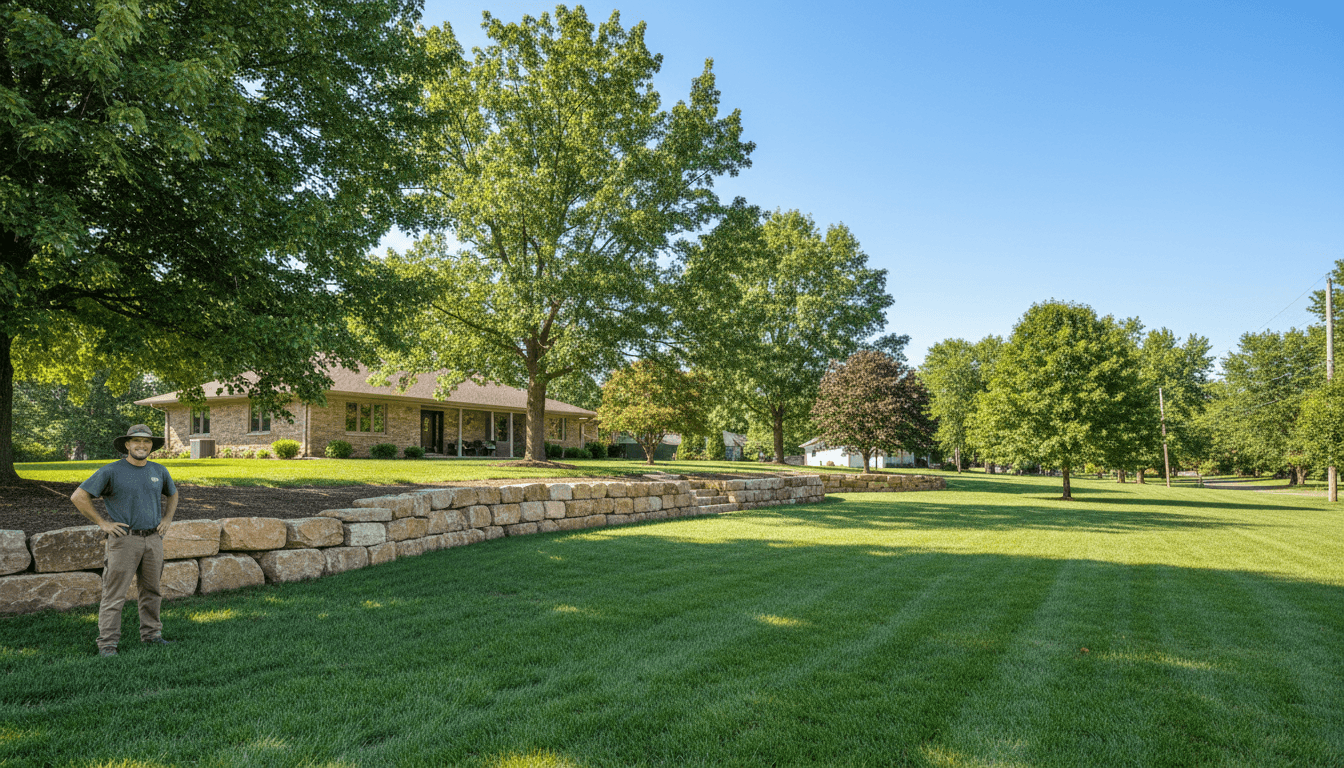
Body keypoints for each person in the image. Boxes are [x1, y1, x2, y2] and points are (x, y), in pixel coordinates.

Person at [70, 424, 179, 657]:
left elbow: (173, 493)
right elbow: (79, 496)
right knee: (114, 593)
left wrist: (168, 519)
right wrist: (103, 523)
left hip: (153, 539)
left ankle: (152, 635)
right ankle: (108, 644)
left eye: (147, 442)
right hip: (124, 541)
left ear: (152, 446)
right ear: (127, 445)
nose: (142, 445)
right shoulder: (111, 471)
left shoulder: (159, 470)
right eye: (136, 441)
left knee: (152, 590)